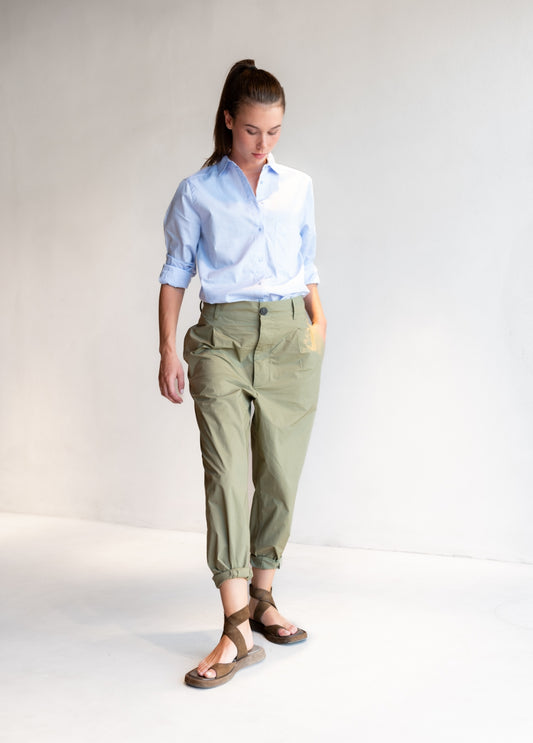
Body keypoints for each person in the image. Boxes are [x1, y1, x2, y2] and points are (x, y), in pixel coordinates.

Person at [158, 59, 326, 688]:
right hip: (221, 340)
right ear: (229, 120)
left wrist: (318, 326)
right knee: (228, 476)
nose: (263, 144)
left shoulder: (298, 186)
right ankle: (235, 627)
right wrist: (167, 349)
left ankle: (262, 598)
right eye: (252, 130)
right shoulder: (197, 191)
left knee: (279, 475)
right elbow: (176, 272)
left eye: (274, 131)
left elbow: (307, 262)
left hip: (289, 338)